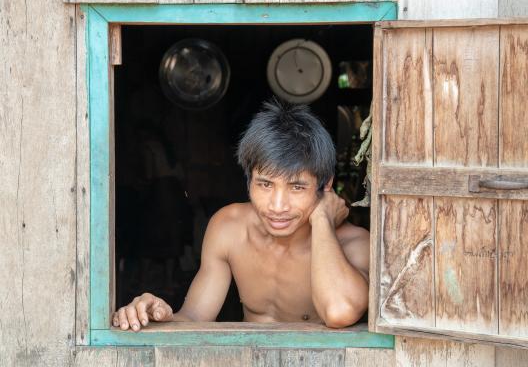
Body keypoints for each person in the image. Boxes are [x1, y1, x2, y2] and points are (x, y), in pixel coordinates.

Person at [112, 99, 370, 331]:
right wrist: (157, 316)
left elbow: (339, 311)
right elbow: (194, 317)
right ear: (249, 182)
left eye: (297, 187)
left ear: (325, 186)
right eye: (265, 184)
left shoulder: (354, 245)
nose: (278, 205)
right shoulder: (229, 228)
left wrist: (322, 218)